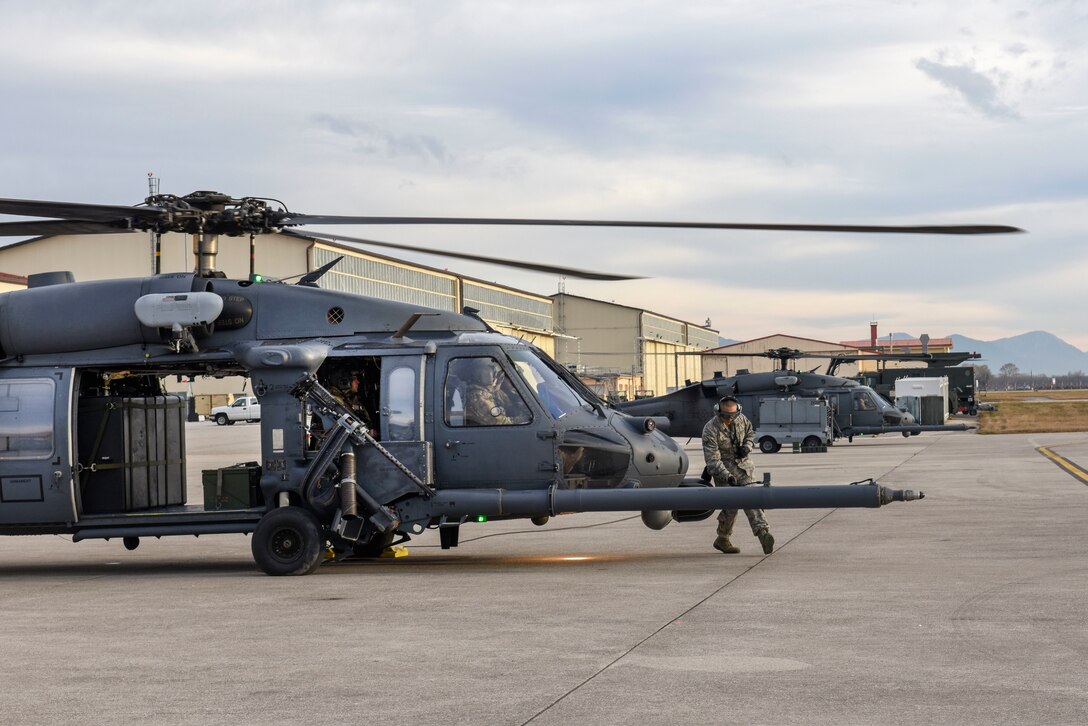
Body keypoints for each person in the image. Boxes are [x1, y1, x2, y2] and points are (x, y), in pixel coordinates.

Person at [702, 395, 774, 555]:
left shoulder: (742, 420)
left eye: (732, 416)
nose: (729, 419)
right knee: (731, 507)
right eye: (725, 416)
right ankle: (722, 539)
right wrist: (727, 476)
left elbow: (750, 434)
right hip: (724, 472)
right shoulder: (710, 429)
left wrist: (748, 447)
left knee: (752, 500)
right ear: (718, 412)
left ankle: (763, 534)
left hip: (745, 469)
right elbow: (712, 460)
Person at [464, 358, 531, 426]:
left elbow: (510, 407)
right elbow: (502, 423)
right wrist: (527, 418)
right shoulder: (479, 397)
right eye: (497, 375)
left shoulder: (494, 391)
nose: (500, 379)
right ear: (487, 376)